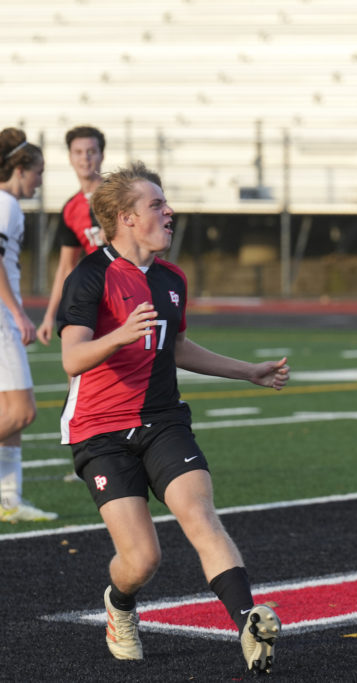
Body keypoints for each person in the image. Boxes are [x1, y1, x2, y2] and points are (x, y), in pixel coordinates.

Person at [56, 162, 286, 673]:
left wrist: (247, 371)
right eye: (156, 205)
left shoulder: (171, 279)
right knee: (142, 560)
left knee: (199, 514)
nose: (169, 211)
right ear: (125, 218)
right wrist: (118, 335)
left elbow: (177, 346)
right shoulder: (90, 276)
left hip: (162, 419)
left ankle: (248, 623)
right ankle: (119, 605)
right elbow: (72, 359)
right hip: (100, 430)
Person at [0, 128, 57, 523]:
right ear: (20, 169)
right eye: (38, 171)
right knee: (22, 412)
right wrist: (18, 313)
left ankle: (9, 500)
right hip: (1, 319)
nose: (40, 179)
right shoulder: (7, 205)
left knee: (8, 412)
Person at [37, 125, 107, 346]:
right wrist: (49, 317)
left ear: (101, 155)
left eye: (91, 151)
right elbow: (67, 267)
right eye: (78, 152)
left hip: (128, 291)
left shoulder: (120, 196)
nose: (85, 158)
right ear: (70, 157)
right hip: (94, 294)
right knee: (77, 362)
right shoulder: (70, 208)